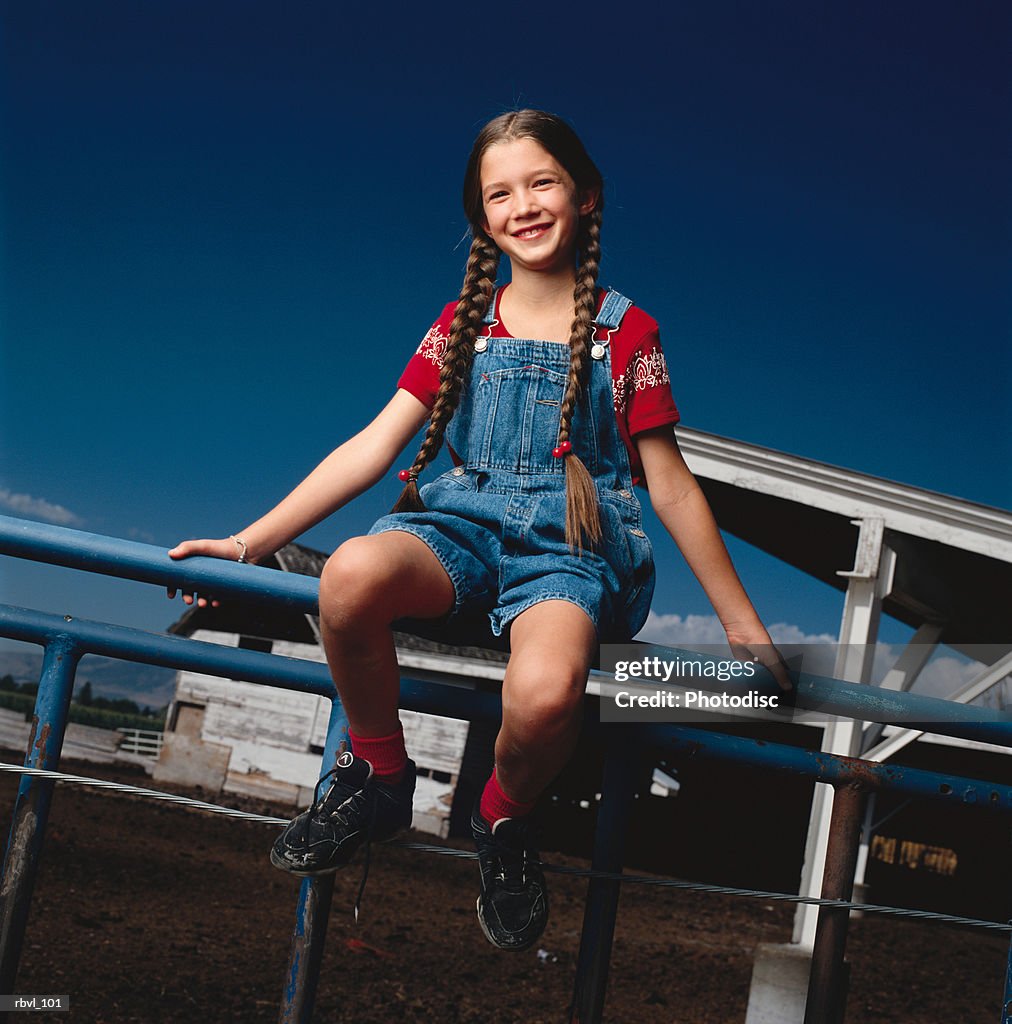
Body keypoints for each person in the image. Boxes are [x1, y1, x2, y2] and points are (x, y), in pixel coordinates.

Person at [167, 109, 790, 953]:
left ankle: (502, 821)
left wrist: (745, 632)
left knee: (542, 697)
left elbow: (671, 485)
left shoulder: (625, 332)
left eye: (543, 183)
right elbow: (373, 447)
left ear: (587, 196)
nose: (523, 205)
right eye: (500, 193)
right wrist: (247, 543)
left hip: (567, 550)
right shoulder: (462, 326)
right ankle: (381, 777)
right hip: (460, 528)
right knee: (349, 574)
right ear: (482, 217)